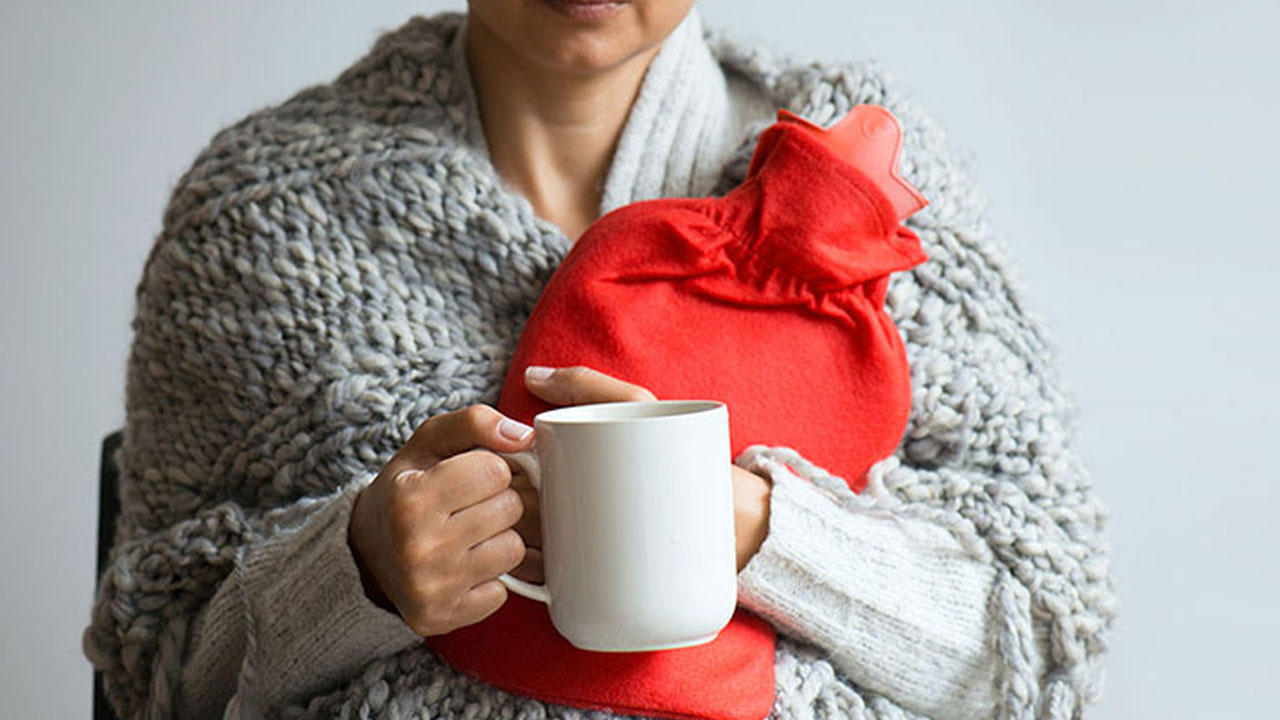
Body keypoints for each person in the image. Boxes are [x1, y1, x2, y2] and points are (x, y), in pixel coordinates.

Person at [83, 2, 1115, 719]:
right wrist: (353, 571)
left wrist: (763, 531)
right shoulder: (259, 222)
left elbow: (1035, 647)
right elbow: (163, 681)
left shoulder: (874, 186)